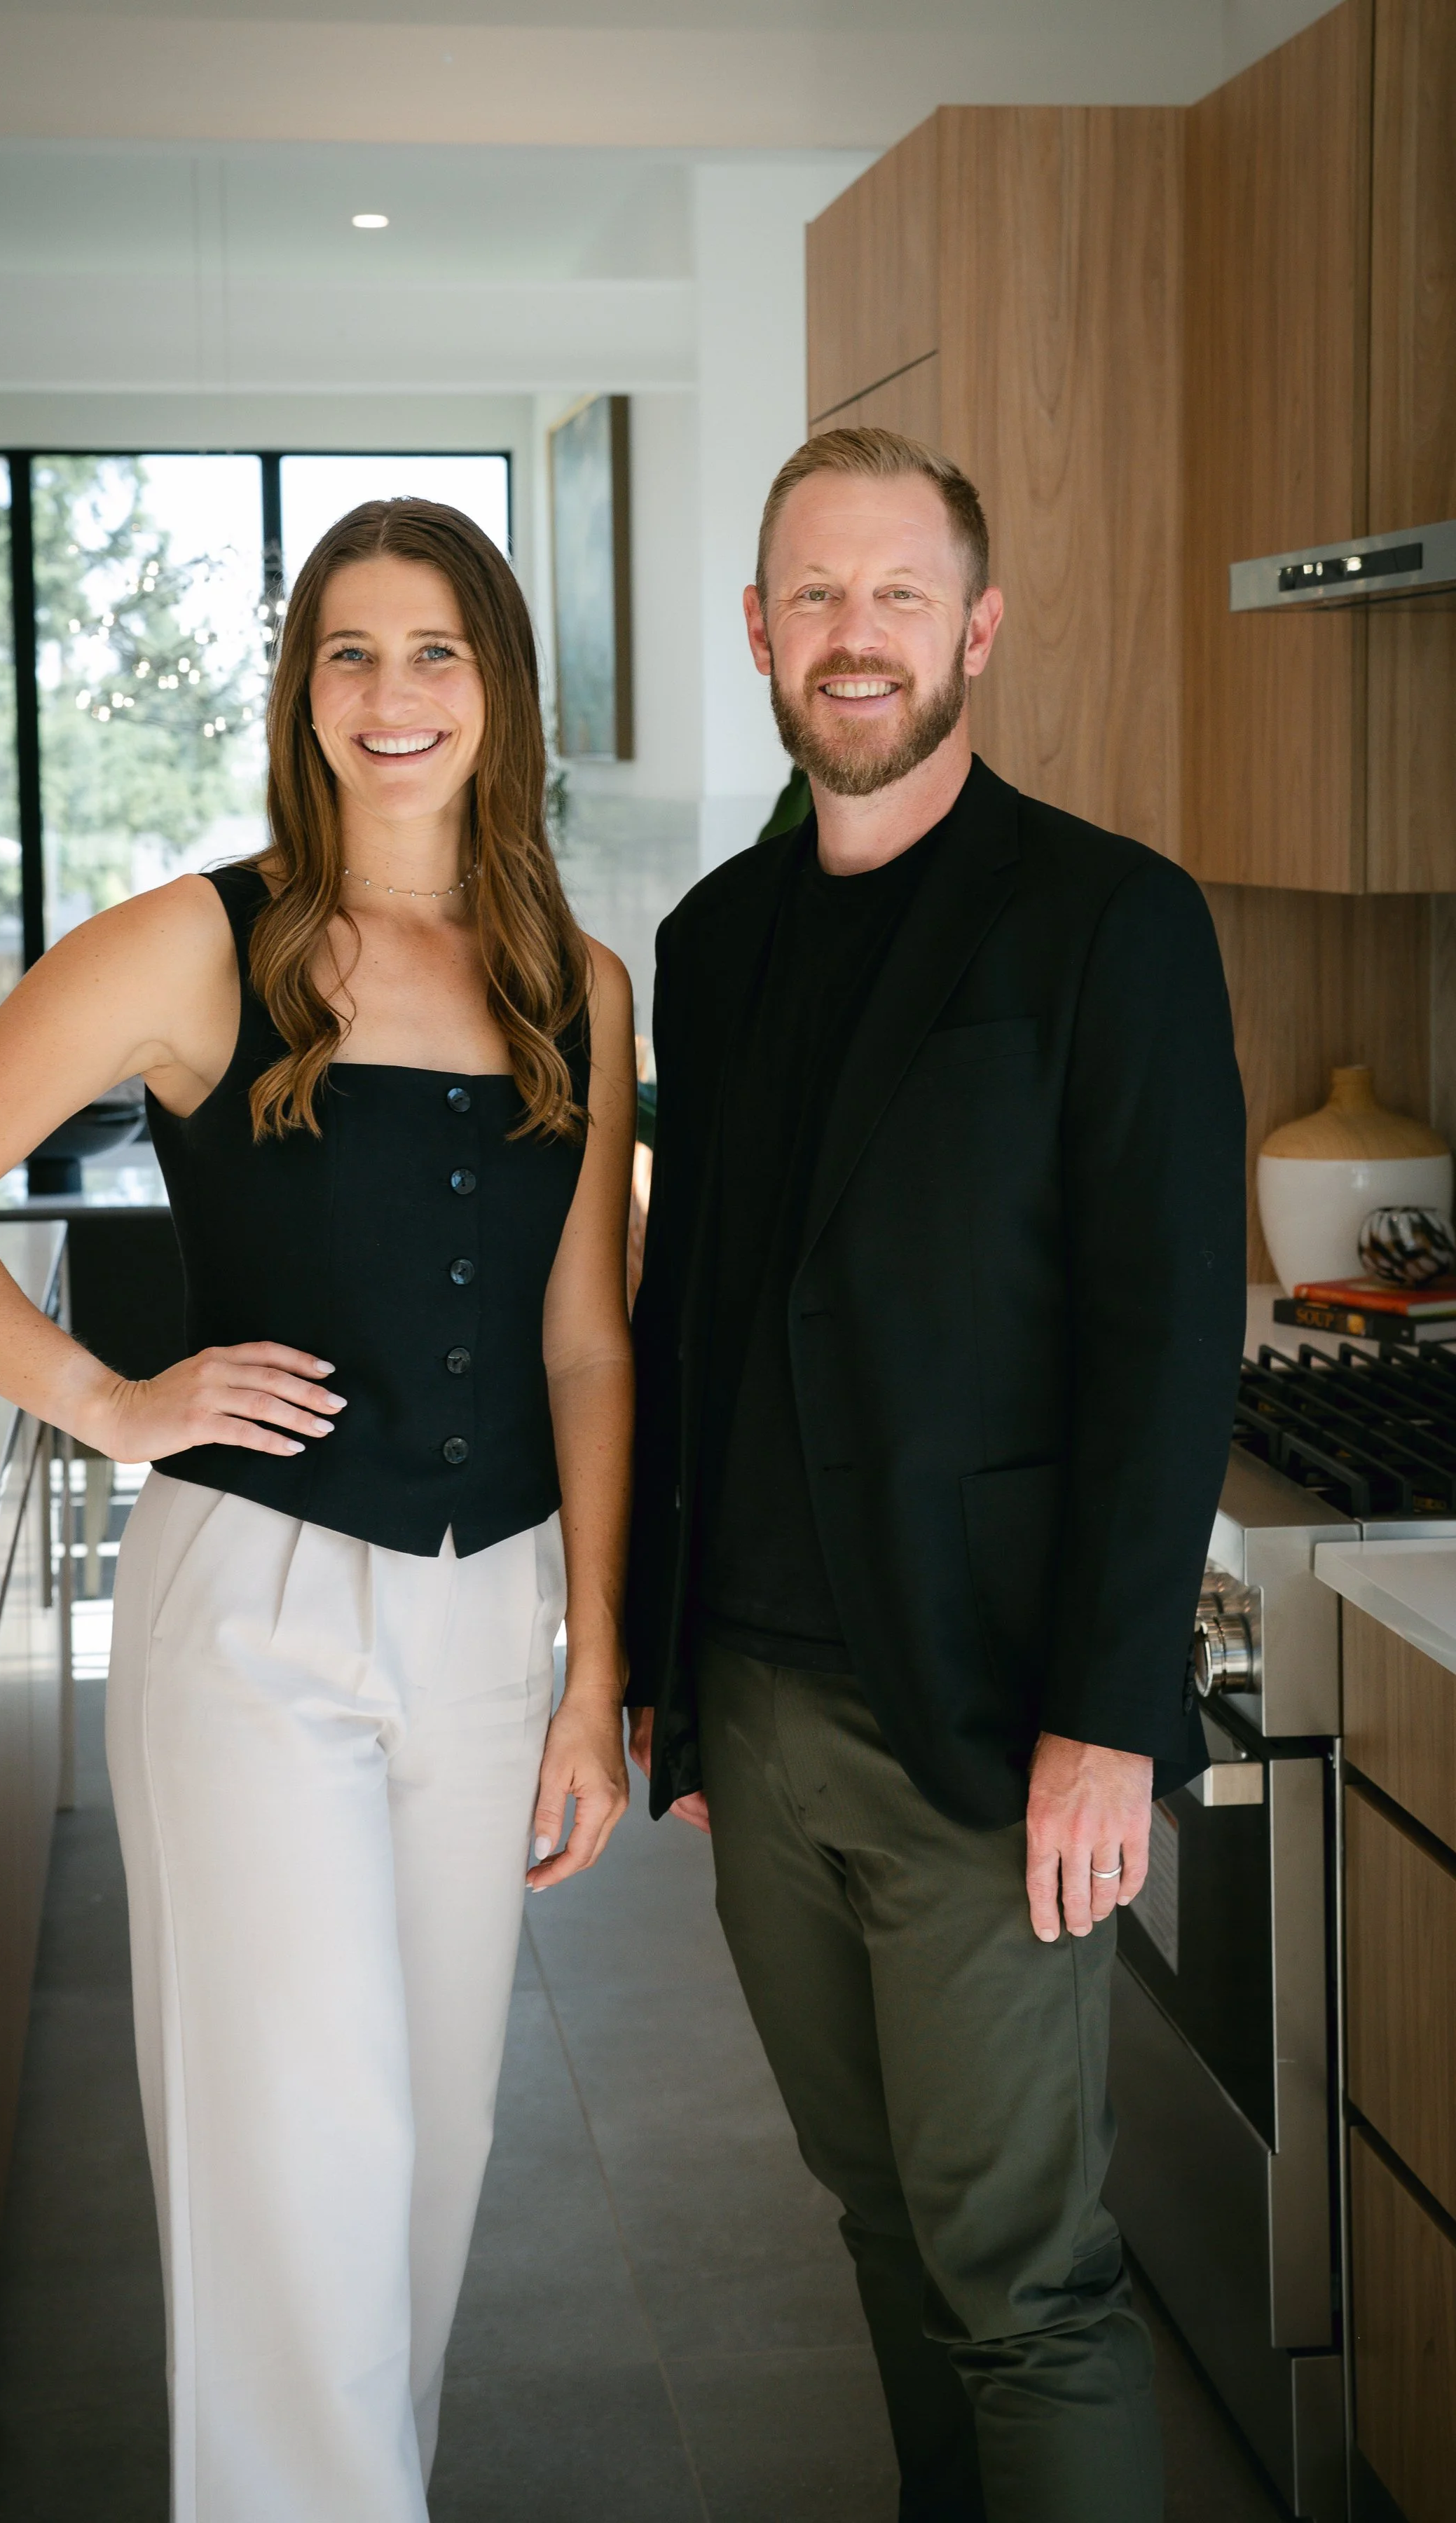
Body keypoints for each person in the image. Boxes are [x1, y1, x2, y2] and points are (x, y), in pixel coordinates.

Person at [0, 498, 636, 2523]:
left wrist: (594, 1673)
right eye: (348, 653)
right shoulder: (197, 941)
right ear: (302, 693)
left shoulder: (580, 982)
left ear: (499, 689)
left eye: (436, 650)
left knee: (433, 2147)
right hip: (250, 1613)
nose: (392, 695)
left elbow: (589, 1351)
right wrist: (106, 1401)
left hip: (493, 1618)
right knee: (300, 2156)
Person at [625, 428, 1245, 2523]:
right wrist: (665, 1680)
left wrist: (1110, 1723)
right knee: (883, 2237)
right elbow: (682, 1322)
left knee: (1029, 2285)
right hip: (763, 1712)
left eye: (900, 595)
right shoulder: (708, 949)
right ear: (758, 633)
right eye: (817, 594)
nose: (855, 635)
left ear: (976, 630)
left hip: (990, 1726)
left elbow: (1169, 1351)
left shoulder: (1110, 924)